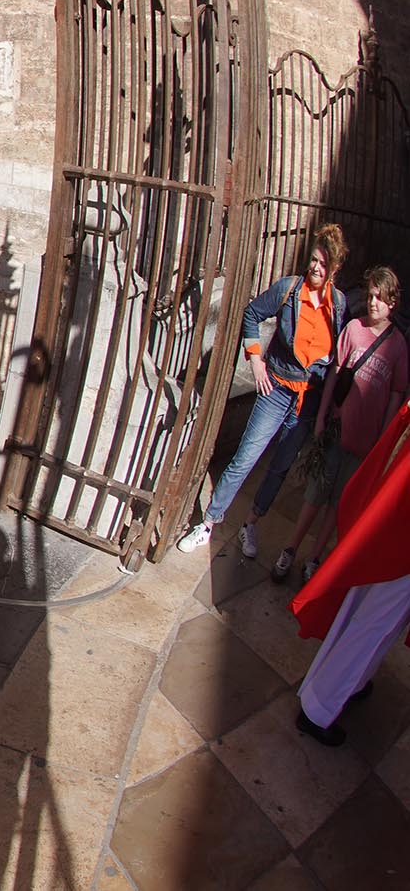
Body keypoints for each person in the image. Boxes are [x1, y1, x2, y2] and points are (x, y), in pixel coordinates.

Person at [179, 225, 349, 554]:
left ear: (335, 268)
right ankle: (209, 523)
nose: (316, 267)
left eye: (324, 263)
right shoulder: (289, 289)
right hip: (276, 390)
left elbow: (338, 358)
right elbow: (252, 313)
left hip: (308, 401)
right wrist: (255, 360)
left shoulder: (339, 306)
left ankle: (250, 524)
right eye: (314, 260)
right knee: (245, 458)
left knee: (280, 467)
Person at [272, 266, 408, 583]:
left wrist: (383, 440)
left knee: (340, 502)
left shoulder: (398, 346)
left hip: (366, 440)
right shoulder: (353, 330)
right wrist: (321, 416)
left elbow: (395, 395)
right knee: (315, 494)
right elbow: (334, 374)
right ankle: (290, 549)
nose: (373, 303)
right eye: (370, 295)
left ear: (392, 302)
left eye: (380, 298)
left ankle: (314, 558)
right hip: (337, 429)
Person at [288, 396, 410, 747]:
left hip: (394, 515)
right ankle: (319, 708)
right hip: (401, 528)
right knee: (375, 622)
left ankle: (345, 683)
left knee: (370, 612)